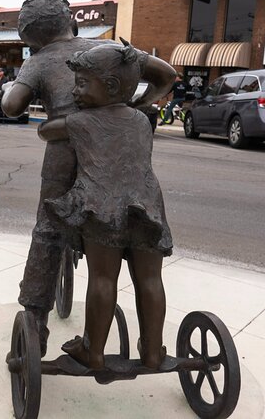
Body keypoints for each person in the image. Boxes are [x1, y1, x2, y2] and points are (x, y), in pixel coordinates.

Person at [1, 0, 175, 357]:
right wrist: (137, 104)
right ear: (69, 21)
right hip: (116, 149)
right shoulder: (108, 48)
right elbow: (167, 75)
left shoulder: (37, 61)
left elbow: (13, 107)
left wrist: (11, 88)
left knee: (48, 231)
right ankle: (149, 345)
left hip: (66, 150)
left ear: (29, 37)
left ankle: (36, 322)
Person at [44, 41, 172, 370]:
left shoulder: (80, 123)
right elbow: (167, 77)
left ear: (111, 86)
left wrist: (63, 116)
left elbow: (46, 132)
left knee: (103, 278)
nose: (75, 92)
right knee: (150, 279)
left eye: (83, 84)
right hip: (147, 207)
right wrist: (140, 97)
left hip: (102, 207)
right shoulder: (143, 121)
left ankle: (93, 351)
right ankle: (153, 352)